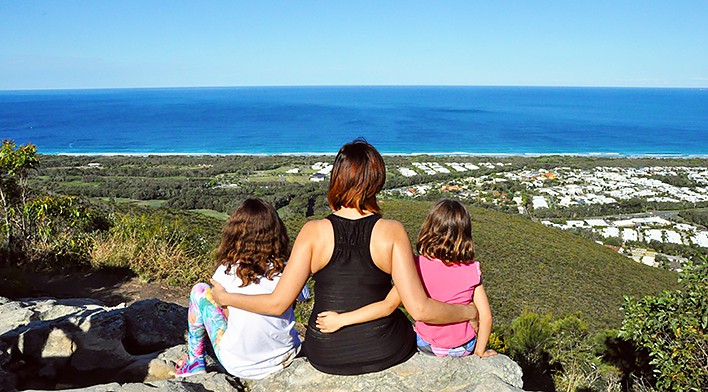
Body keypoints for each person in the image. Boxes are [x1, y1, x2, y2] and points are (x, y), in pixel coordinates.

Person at [211, 138, 478, 375]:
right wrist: (468, 311)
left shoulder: (312, 232)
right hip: (384, 348)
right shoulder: (391, 232)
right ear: (377, 181)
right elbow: (419, 309)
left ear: (337, 178)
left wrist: (227, 298)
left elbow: (277, 303)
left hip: (325, 352)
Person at [317, 199, 497, 358]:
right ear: (465, 235)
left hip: (428, 346)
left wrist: (341, 320)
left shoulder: (416, 266)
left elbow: (387, 306)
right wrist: (480, 352)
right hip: (463, 347)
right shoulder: (472, 270)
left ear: (429, 229)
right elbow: (486, 317)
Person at [175, 198, 310, 379]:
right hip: (284, 357)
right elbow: (301, 298)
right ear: (277, 232)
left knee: (200, 291)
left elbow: (228, 313)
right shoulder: (288, 269)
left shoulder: (226, 270)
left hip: (239, 364)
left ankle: (195, 361)